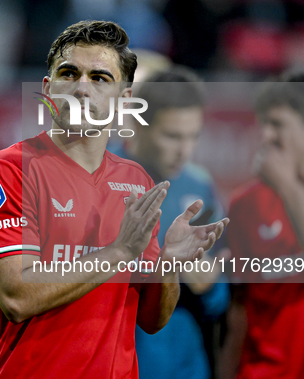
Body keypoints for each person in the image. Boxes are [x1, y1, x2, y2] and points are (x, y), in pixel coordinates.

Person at [0, 20, 228, 379]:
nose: (81, 88)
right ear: (47, 88)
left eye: (100, 78)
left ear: (124, 100)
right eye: (69, 73)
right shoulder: (9, 172)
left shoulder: (136, 182)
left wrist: (168, 263)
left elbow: (153, 320)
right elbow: (17, 298)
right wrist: (119, 252)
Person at [111, 66, 229, 379]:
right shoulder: (101, 176)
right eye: (172, 136)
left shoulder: (199, 186)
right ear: (138, 126)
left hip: (185, 366)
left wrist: (209, 286)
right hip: (118, 363)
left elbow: (218, 293)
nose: (185, 151)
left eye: (193, 136)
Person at [221, 72, 304, 379]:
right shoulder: (245, 205)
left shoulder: (288, 192)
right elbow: (239, 310)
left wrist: (289, 189)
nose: (265, 136)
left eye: (278, 124)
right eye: (263, 123)